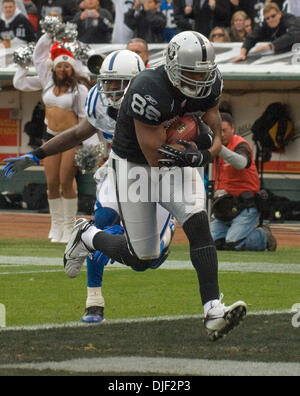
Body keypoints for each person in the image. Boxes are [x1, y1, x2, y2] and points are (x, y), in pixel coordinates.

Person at [61, 31, 247, 341]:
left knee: (198, 222)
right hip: (135, 164)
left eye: (203, 73)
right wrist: (193, 149)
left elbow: (215, 134)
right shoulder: (147, 88)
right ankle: (87, 235)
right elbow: (156, 155)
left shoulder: (211, 82)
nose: (199, 80)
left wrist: (201, 152)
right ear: (173, 66)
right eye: (191, 73)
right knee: (142, 256)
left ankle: (213, 310)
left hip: (175, 158)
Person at [3, 49, 176, 324]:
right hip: (118, 170)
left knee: (147, 261)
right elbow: (77, 133)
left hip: (156, 177)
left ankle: (89, 236)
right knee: (105, 220)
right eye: (107, 82)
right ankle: (94, 301)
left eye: (118, 82)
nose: (111, 89)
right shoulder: (98, 100)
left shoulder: (161, 100)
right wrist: (36, 155)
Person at [32, 33, 89, 243]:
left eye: (67, 66)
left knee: (66, 181)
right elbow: (38, 57)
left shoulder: (80, 89)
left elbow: (85, 118)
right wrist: (49, 34)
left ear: (72, 69)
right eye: (59, 66)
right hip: (50, 137)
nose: (63, 69)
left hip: (70, 139)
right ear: (54, 68)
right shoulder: (47, 82)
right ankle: (55, 225)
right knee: (52, 182)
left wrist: (90, 147)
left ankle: (69, 225)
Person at [210, 112, 277, 251]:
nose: (221, 134)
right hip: (224, 207)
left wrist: (219, 148)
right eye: (218, 131)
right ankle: (234, 233)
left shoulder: (241, 145)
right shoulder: (215, 147)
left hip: (246, 206)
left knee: (233, 244)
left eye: (224, 130)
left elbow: (241, 163)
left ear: (233, 128)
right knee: (214, 245)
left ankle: (263, 236)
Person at [232, 2, 300, 62]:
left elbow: (292, 35)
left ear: (279, 14)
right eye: (267, 18)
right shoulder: (265, 24)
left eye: (273, 16)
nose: (271, 19)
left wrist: (270, 46)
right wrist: (243, 53)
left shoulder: (290, 20)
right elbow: (252, 37)